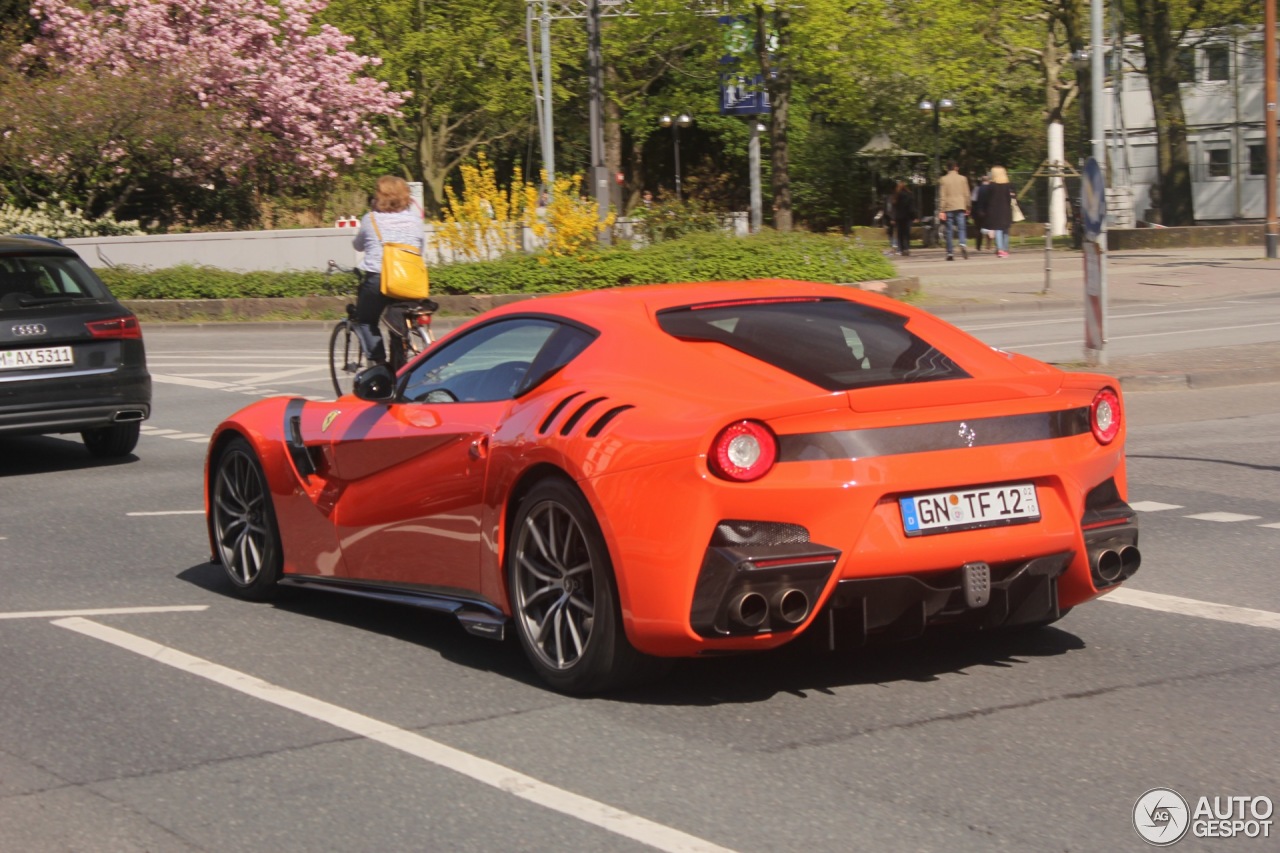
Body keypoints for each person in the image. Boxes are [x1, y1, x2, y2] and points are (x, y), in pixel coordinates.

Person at [352, 176, 425, 363]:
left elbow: (358, 245)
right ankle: (401, 364)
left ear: (379, 196)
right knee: (398, 323)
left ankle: (380, 367)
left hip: (379, 278)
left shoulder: (370, 219)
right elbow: (420, 250)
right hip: (410, 279)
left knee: (366, 321)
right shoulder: (415, 220)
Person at [938, 161, 970, 260]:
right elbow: (967, 194)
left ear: (947, 168)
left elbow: (942, 196)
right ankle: (962, 243)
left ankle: (950, 252)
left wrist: (941, 210)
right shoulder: (963, 179)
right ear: (956, 168)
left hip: (949, 207)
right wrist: (968, 206)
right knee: (961, 227)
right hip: (960, 205)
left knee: (949, 230)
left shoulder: (943, 179)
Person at [981, 166, 1015, 258]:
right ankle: (1005, 249)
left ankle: (1000, 249)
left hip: (994, 210)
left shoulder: (991, 186)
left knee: (998, 229)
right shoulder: (1008, 185)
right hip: (1006, 209)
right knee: (1005, 230)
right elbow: (1011, 198)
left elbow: (987, 199)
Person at [891, 181, 917, 257]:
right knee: (907, 233)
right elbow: (912, 208)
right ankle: (907, 248)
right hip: (907, 217)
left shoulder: (896, 196)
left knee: (900, 234)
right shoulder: (910, 195)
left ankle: (901, 249)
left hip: (899, 217)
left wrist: (893, 218)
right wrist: (914, 216)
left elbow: (894, 209)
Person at [971, 174, 991, 252]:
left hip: (978, 211)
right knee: (989, 227)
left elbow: (973, 200)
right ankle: (988, 244)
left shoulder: (977, 189)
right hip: (989, 211)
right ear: (988, 181)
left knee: (978, 229)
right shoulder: (991, 189)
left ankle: (978, 246)